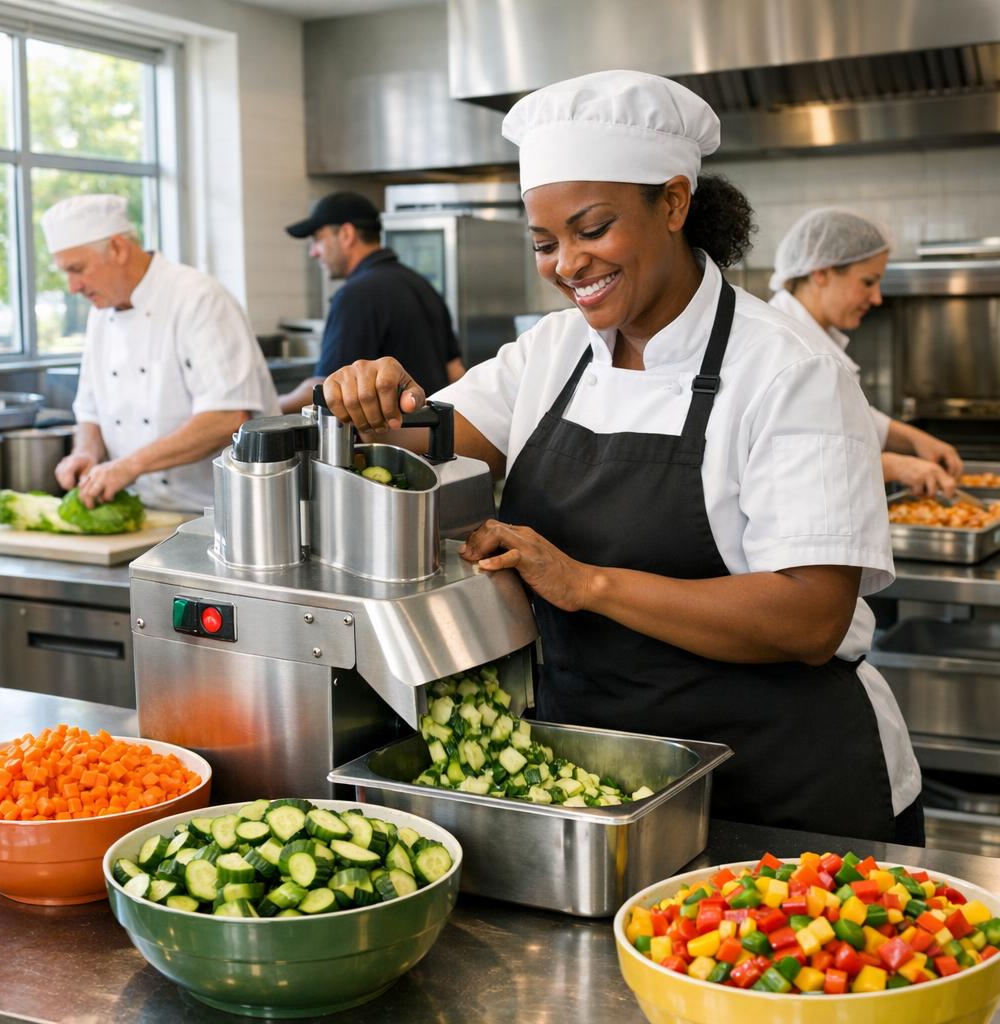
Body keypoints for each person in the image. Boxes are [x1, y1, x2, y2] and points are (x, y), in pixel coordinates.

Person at [319, 70, 923, 845]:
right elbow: (433, 440)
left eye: (592, 229)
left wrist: (585, 583)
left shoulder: (788, 369)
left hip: (779, 791)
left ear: (673, 203)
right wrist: (376, 405)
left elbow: (810, 615)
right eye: (545, 242)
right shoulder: (556, 350)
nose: (568, 264)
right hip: (608, 786)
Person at [43, 194, 279, 512]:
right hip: (143, 513)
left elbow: (227, 418)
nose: (72, 286)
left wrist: (128, 466)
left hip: (221, 514)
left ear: (117, 248)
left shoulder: (198, 299)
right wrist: (85, 451)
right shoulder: (101, 312)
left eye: (77, 269)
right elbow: (90, 409)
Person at [769, 208, 963, 497]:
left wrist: (915, 440)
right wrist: (897, 467)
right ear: (821, 272)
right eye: (868, 281)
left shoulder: (815, 337)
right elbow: (800, 458)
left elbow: (844, 416)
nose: (877, 297)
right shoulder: (784, 345)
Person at [278, 192, 464, 414]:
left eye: (318, 239)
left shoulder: (355, 296)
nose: (313, 253)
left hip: (387, 440)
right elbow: (455, 372)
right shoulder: (421, 284)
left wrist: (268, 409)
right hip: (432, 437)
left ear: (347, 234)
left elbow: (326, 388)